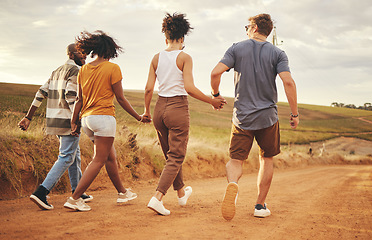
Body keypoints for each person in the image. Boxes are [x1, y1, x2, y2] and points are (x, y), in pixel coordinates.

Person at [210, 13, 299, 220]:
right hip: (268, 117)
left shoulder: (236, 48)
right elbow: (289, 83)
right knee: (266, 158)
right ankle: (260, 206)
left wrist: (215, 94)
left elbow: (215, 73)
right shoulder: (278, 53)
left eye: (247, 27)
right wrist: (294, 114)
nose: (246, 30)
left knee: (235, 160)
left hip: (242, 117)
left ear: (255, 28)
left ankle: (233, 185)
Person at [143, 13, 225, 216]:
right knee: (176, 156)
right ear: (182, 38)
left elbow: (148, 89)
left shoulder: (156, 57)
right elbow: (189, 87)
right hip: (177, 108)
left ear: (166, 38)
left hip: (159, 109)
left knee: (170, 155)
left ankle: (181, 193)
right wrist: (212, 101)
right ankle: (157, 197)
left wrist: (146, 110)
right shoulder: (185, 57)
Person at [63, 30, 141, 211]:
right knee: (99, 159)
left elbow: (79, 100)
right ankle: (74, 198)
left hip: (87, 120)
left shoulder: (84, 69)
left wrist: (74, 121)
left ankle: (122, 193)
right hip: (104, 118)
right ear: (110, 50)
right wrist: (138, 117)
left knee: (109, 157)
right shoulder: (113, 68)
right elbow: (120, 98)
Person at [18, 43, 92, 210]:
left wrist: (28, 117)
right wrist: (77, 121)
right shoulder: (76, 71)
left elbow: (40, 92)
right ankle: (41, 192)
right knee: (66, 157)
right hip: (68, 121)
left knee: (75, 154)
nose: (85, 56)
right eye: (81, 53)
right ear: (71, 55)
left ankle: (77, 190)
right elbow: (71, 96)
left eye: (86, 54)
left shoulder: (56, 71)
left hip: (55, 121)